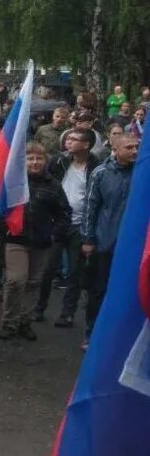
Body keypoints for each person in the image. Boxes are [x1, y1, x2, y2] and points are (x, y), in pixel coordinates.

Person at [0, 143, 70, 342]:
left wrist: (54, 233)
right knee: (15, 280)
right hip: (16, 239)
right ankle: (9, 321)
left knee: (34, 282)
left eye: (39, 159)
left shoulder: (53, 185)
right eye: (30, 159)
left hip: (41, 241)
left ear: (45, 161)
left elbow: (64, 213)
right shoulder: (14, 182)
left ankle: (24, 320)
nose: (35, 162)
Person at [35, 129, 100, 326]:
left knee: (75, 271)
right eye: (68, 138)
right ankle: (38, 308)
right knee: (47, 269)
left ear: (86, 144)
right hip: (57, 222)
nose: (68, 141)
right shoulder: (58, 161)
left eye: (74, 139)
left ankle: (67, 312)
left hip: (79, 224)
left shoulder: (96, 166)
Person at [81, 132, 138, 350]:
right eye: (129, 147)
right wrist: (88, 238)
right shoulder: (100, 173)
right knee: (98, 290)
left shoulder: (142, 173)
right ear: (115, 148)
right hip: (105, 242)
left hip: (132, 245)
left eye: (137, 147)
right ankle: (91, 333)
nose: (134, 151)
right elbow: (91, 207)